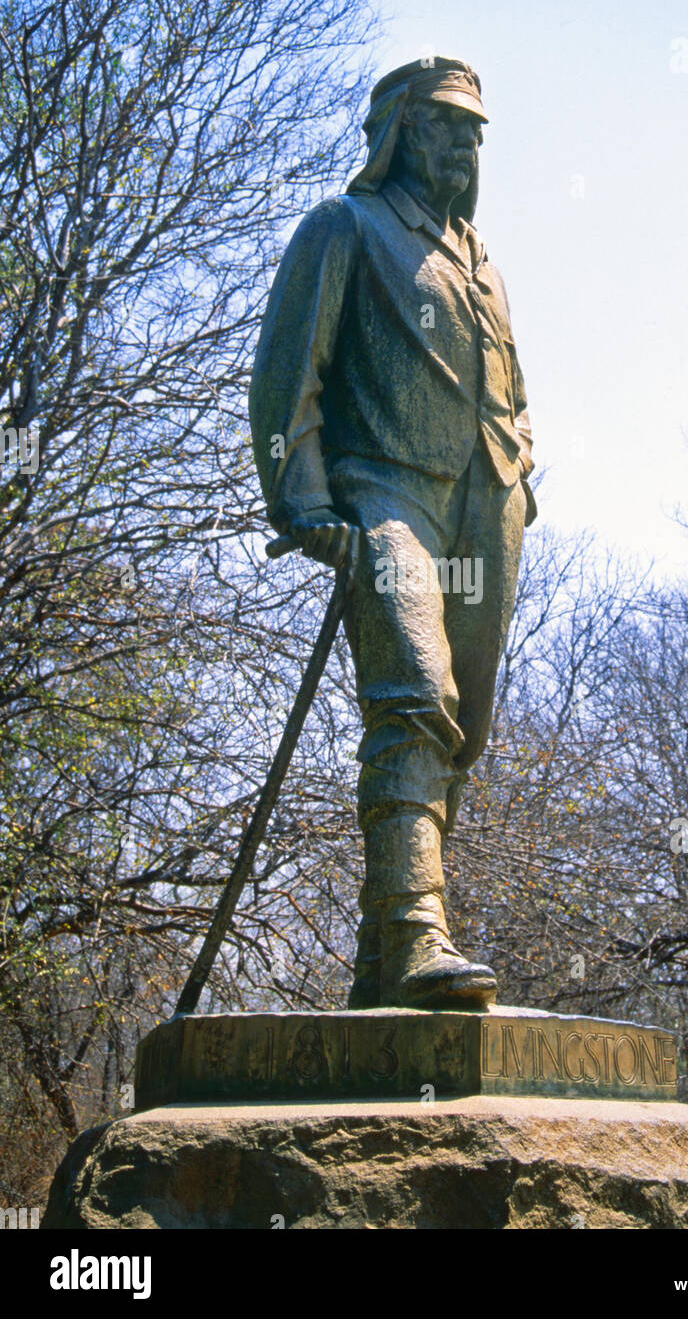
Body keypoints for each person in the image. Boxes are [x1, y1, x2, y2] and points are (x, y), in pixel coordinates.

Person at [249, 58, 536, 1010]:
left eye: (475, 131)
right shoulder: (346, 227)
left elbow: (515, 394)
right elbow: (291, 374)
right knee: (413, 692)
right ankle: (416, 930)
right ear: (401, 130)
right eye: (448, 126)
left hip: (483, 505)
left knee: (465, 723)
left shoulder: (482, 265)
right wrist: (305, 501)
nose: (466, 145)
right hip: (387, 493)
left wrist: (520, 469)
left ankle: (382, 968)